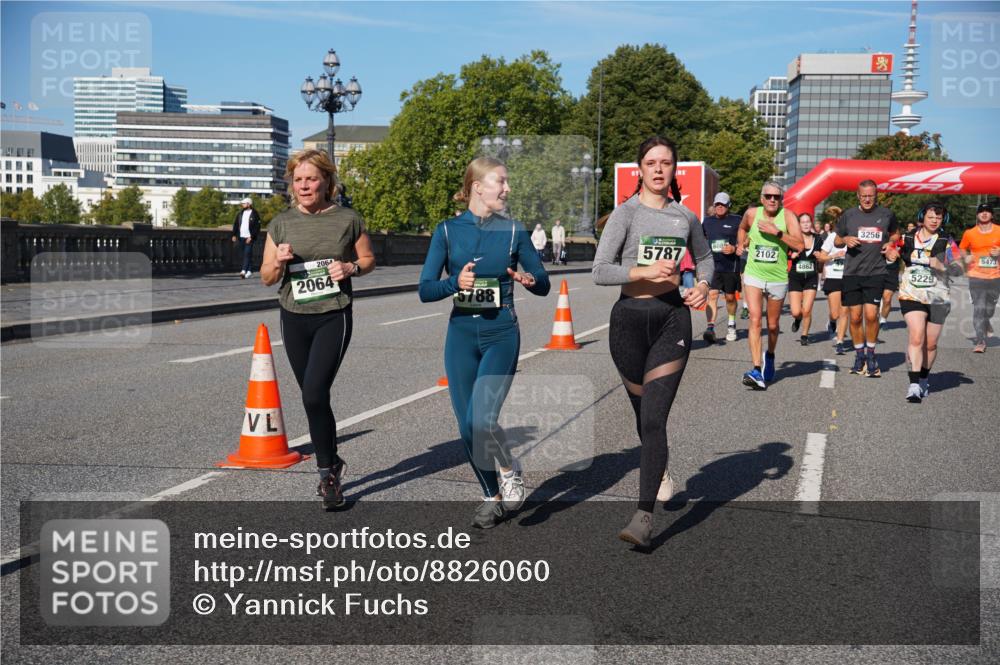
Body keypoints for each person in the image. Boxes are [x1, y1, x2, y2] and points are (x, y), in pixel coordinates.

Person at [592, 136, 713, 548]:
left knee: (654, 419)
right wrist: (642, 271)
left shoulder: (685, 217)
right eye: (651, 162)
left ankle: (643, 518)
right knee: (644, 415)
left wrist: (704, 285)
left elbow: (706, 258)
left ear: (674, 170)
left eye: (666, 163)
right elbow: (600, 270)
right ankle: (658, 466)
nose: (659, 169)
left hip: (671, 320)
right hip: (627, 322)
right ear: (639, 169)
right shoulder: (624, 216)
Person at [419, 157, 550, 529]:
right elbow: (425, 290)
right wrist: (452, 284)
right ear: (478, 186)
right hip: (460, 336)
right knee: (467, 427)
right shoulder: (447, 231)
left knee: (483, 418)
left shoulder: (513, 232)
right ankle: (491, 495)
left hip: (501, 334)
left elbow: (543, 282)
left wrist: (529, 279)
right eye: (501, 182)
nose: (507, 189)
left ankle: (508, 468)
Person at [261, 149, 375, 510]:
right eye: (298, 180)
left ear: (326, 181)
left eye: (311, 179)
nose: (304, 185)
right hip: (293, 315)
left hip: (333, 314)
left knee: (313, 393)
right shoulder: (280, 223)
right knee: (314, 397)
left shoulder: (347, 219)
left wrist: (351, 269)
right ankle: (334, 461)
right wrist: (277, 262)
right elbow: (266, 278)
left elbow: (369, 259)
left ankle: (327, 474)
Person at [737, 181, 804, 389]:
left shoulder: (788, 217)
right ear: (762, 198)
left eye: (776, 197)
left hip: (777, 278)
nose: (772, 200)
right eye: (768, 196)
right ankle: (756, 369)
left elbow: (800, 245)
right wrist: (741, 243)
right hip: (754, 274)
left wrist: (777, 233)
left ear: (781, 199)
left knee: (772, 325)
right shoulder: (751, 214)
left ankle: (771, 355)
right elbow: (742, 228)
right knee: (755, 320)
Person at [891, 203, 957, 402]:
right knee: (917, 337)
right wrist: (890, 254)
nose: (935, 220)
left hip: (938, 297)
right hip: (912, 294)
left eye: (938, 217)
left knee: (930, 344)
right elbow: (891, 250)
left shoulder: (947, 241)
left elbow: (959, 268)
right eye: (931, 217)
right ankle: (913, 386)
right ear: (922, 217)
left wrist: (943, 266)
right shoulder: (907, 238)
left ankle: (923, 379)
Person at [834, 180, 899, 377]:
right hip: (852, 273)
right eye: (864, 196)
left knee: (871, 316)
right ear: (858, 196)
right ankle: (859, 354)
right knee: (854, 317)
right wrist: (844, 240)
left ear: (876, 195)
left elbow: (896, 234)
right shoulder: (849, 215)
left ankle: (871, 354)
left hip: (876, 272)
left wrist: (890, 243)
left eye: (871, 195)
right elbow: (837, 240)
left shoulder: (886, 214)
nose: (868, 199)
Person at [701, 191, 742, 343]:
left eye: (723, 205)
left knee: (730, 297)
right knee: (712, 295)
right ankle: (710, 327)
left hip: (730, 266)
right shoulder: (707, 221)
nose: (719, 207)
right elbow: (700, 238)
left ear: (728, 206)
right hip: (713, 265)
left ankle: (731, 324)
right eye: (717, 204)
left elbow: (748, 238)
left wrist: (735, 247)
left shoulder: (737, 220)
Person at [959, 202, 1000, 353]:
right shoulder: (970, 233)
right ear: (977, 214)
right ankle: (980, 341)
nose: (984, 213)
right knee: (979, 308)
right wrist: (966, 257)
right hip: (976, 275)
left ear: (992, 214)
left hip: (996, 276)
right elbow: (962, 248)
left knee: (989, 310)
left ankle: (987, 320)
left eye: (987, 211)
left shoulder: (999, 231)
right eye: (981, 211)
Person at [788, 212, 821, 345]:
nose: (806, 224)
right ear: (799, 225)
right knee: (796, 311)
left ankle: (804, 335)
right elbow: (784, 254)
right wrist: (792, 256)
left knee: (807, 309)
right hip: (796, 277)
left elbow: (825, 253)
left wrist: (821, 256)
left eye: (808, 221)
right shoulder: (793, 239)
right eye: (803, 222)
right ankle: (797, 319)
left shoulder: (818, 239)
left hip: (811, 278)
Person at [817, 221, 850, 354]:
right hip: (833, 277)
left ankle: (840, 342)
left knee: (845, 312)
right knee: (835, 313)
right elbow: (821, 258)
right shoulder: (832, 237)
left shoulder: (853, 237)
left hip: (848, 277)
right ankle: (831, 322)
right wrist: (834, 255)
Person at [232, 197, 261, 279]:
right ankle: (249, 270)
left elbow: (257, 227)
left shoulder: (255, 213)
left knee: (247, 253)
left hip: (249, 237)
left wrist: (251, 236)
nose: (242, 205)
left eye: (244, 203)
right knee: (245, 254)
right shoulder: (240, 213)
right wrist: (234, 235)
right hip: (241, 237)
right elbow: (236, 224)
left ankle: (244, 270)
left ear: (249, 204)